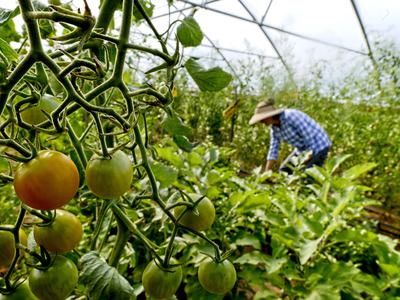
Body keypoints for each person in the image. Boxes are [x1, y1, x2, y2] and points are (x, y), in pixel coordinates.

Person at [249, 98, 331, 173]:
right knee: (284, 171)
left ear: (269, 115)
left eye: (262, 119)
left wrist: (304, 161)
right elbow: (273, 150)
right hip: (302, 150)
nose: (261, 122)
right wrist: (267, 171)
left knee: (306, 176)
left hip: (319, 146)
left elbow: (309, 139)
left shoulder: (290, 116)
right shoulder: (274, 129)